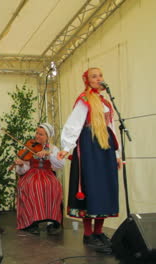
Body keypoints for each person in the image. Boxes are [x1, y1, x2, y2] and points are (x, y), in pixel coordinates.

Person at [57, 68, 122, 253]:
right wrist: (66, 147)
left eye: (100, 75)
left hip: (105, 147)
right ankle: (88, 234)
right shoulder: (84, 100)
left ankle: (99, 231)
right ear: (87, 80)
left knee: (105, 187)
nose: (99, 79)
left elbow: (112, 129)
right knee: (91, 187)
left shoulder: (106, 103)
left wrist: (117, 155)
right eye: (94, 76)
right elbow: (74, 125)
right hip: (89, 147)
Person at [15, 123, 64, 235]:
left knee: (53, 185)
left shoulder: (53, 148)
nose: (37, 136)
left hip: (47, 173)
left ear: (47, 136)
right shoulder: (29, 147)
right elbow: (22, 170)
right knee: (33, 186)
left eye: (41, 134)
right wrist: (21, 164)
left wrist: (49, 154)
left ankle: (52, 221)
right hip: (31, 173)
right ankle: (31, 222)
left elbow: (60, 164)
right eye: (37, 133)